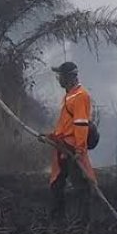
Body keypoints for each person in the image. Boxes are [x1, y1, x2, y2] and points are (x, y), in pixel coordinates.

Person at [43, 61, 96, 225]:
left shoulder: (80, 96)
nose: (58, 79)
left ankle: (83, 222)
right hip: (63, 146)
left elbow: (80, 124)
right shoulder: (70, 95)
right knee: (56, 184)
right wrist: (52, 136)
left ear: (69, 77)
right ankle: (57, 221)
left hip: (72, 149)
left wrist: (79, 150)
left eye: (60, 76)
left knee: (81, 186)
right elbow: (67, 124)